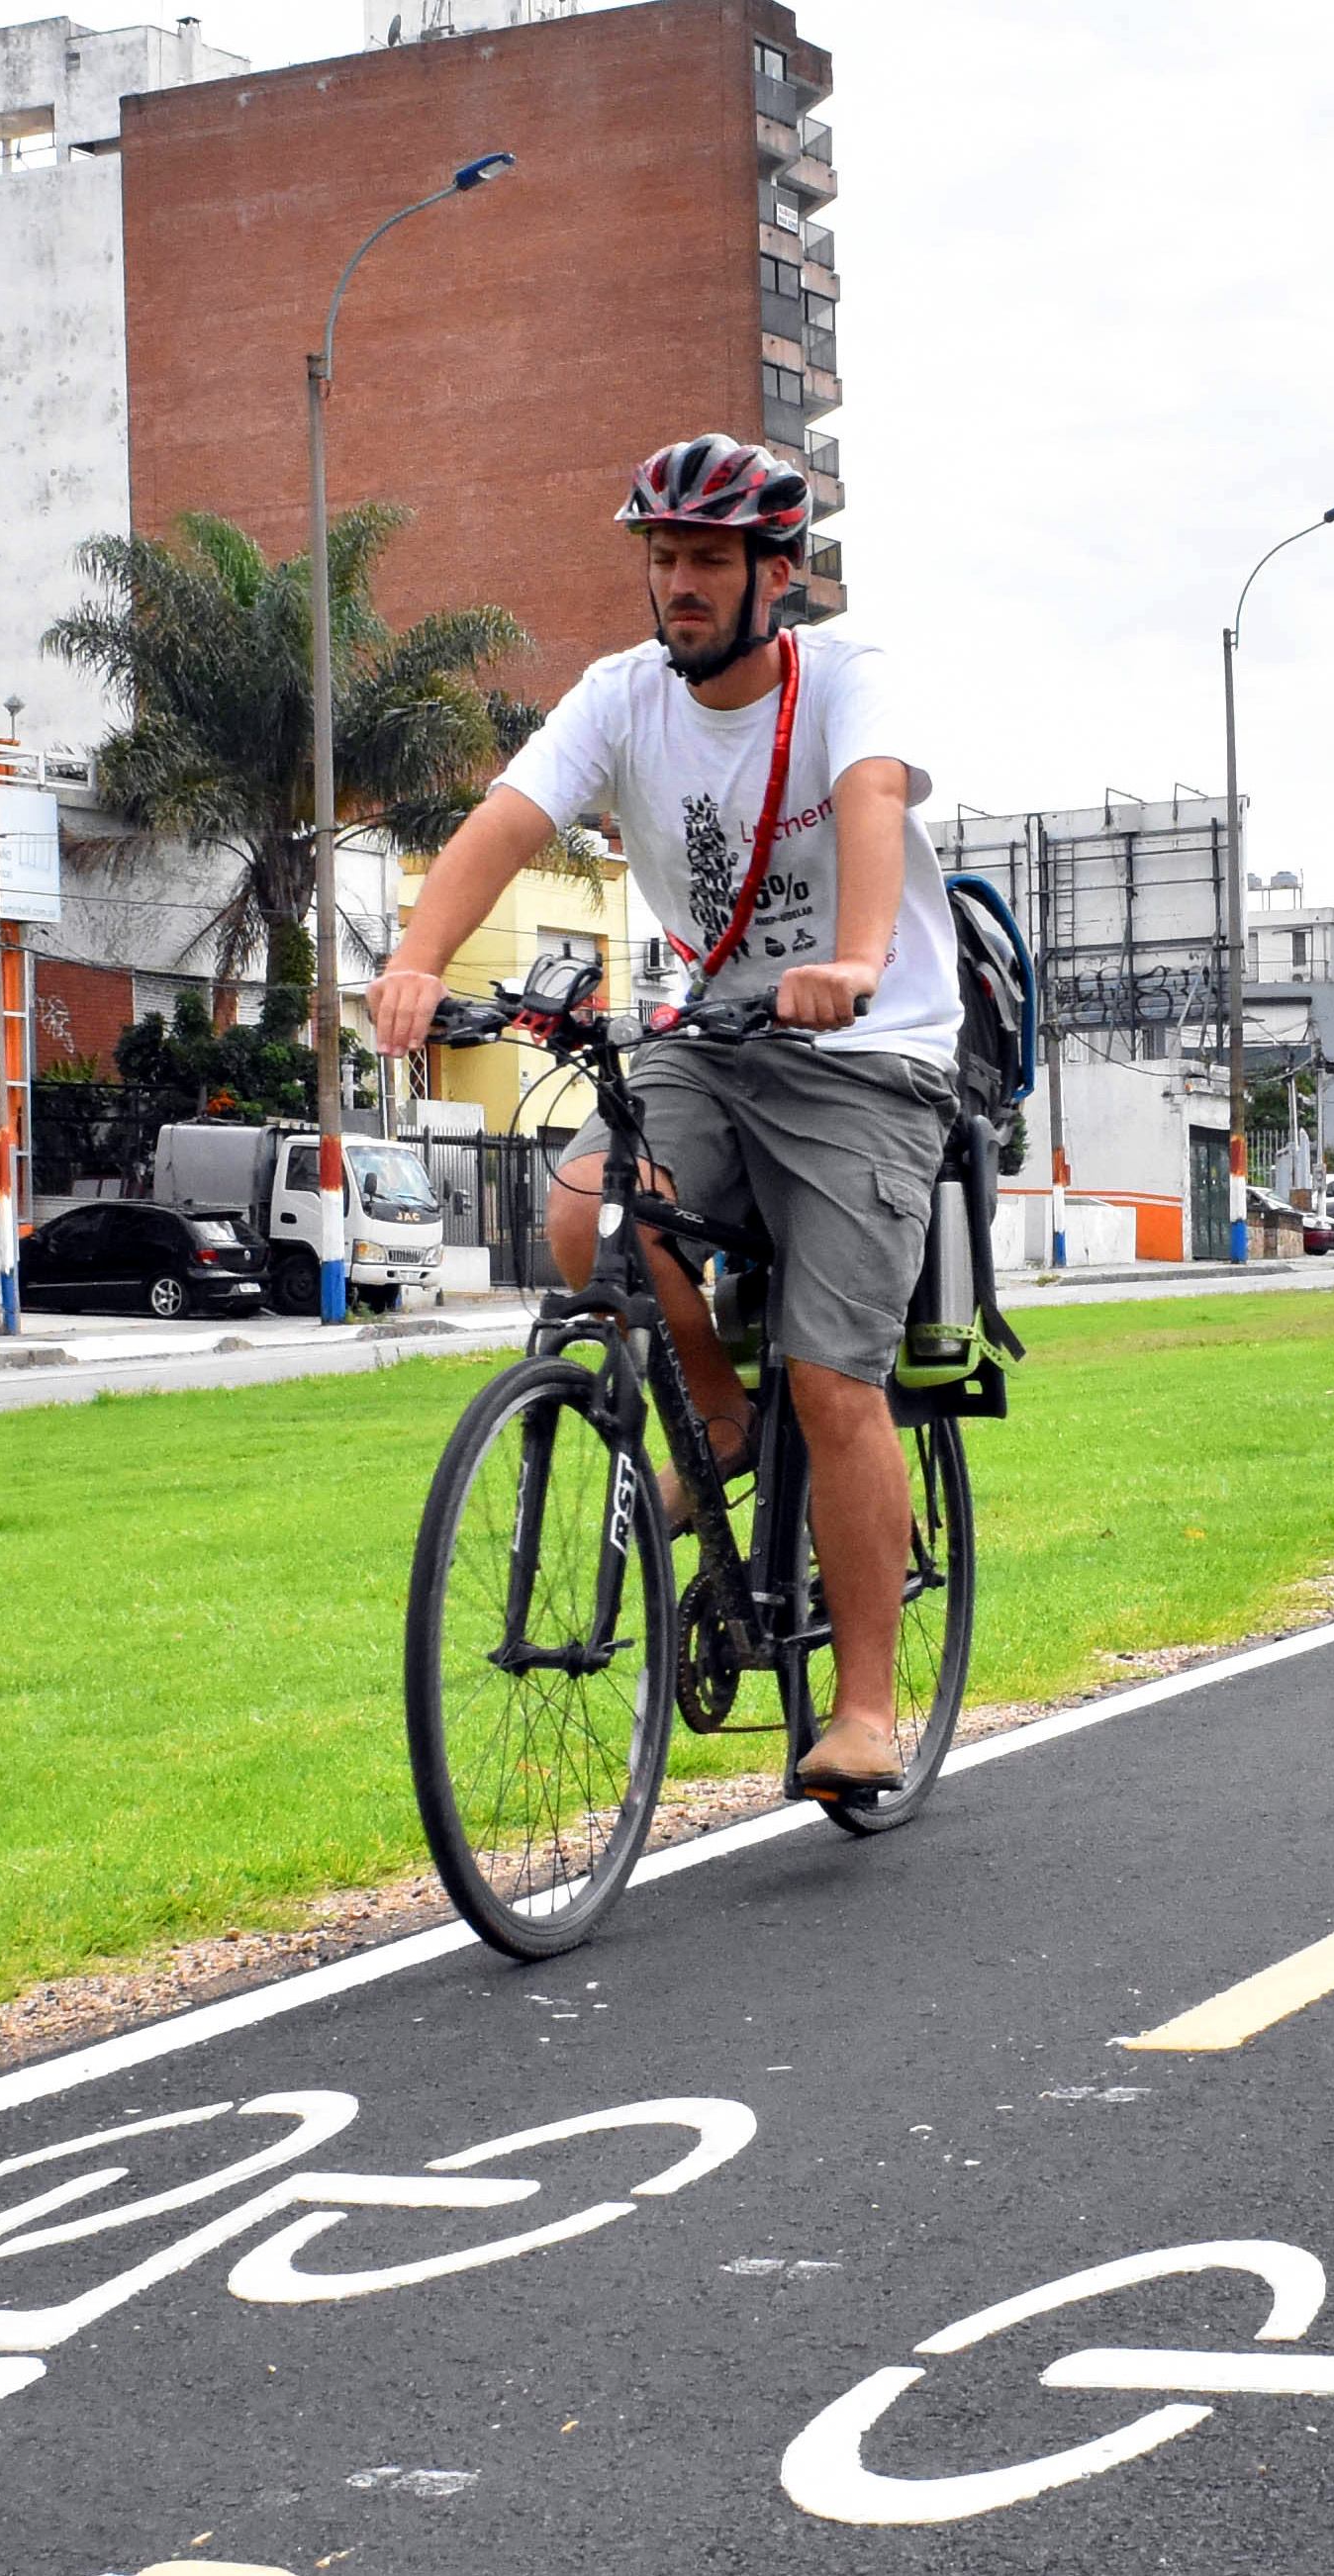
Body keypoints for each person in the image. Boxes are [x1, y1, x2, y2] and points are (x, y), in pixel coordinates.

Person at [368, 432, 966, 1803]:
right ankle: (713, 1407)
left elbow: (871, 801)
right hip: (712, 1036)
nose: (677, 584)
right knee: (586, 1207)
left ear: (776, 575)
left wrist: (859, 959)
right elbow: (509, 820)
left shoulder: (846, 678)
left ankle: (866, 1709)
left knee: (833, 1379)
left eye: (705, 559)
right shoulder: (621, 694)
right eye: (661, 557)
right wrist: (413, 959)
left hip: (868, 1053)